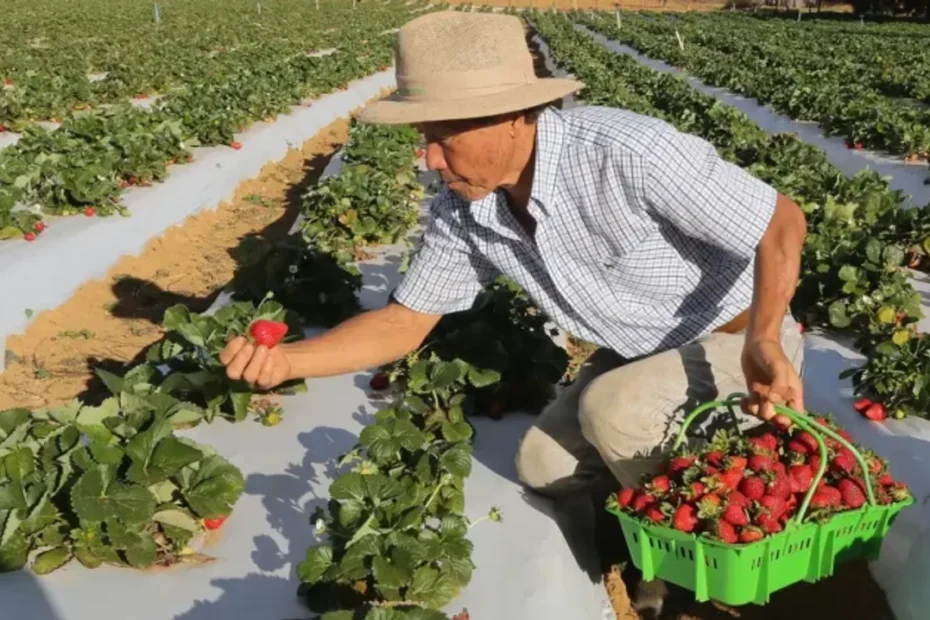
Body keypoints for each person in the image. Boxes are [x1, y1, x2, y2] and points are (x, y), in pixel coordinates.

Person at [220, 11, 805, 498]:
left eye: (443, 139)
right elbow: (403, 322)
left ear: (514, 118)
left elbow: (781, 222)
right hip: (640, 354)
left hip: (735, 344)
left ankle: (709, 541)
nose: (428, 159)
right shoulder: (466, 208)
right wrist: (289, 362)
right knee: (542, 465)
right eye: (423, 139)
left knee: (613, 411)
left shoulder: (625, 151)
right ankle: (635, 521)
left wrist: (764, 339)